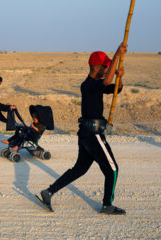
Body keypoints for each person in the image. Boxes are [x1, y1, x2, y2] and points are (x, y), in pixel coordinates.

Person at [36, 43, 127, 215]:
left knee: (80, 169)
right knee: (113, 169)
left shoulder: (97, 84)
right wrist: (117, 54)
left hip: (87, 134)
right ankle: (107, 205)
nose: (107, 68)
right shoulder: (88, 84)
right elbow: (107, 80)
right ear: (95, 67)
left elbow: (116, 88)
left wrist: (119, 77)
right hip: (92, 134)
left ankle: (48, 192)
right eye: (105, 66)